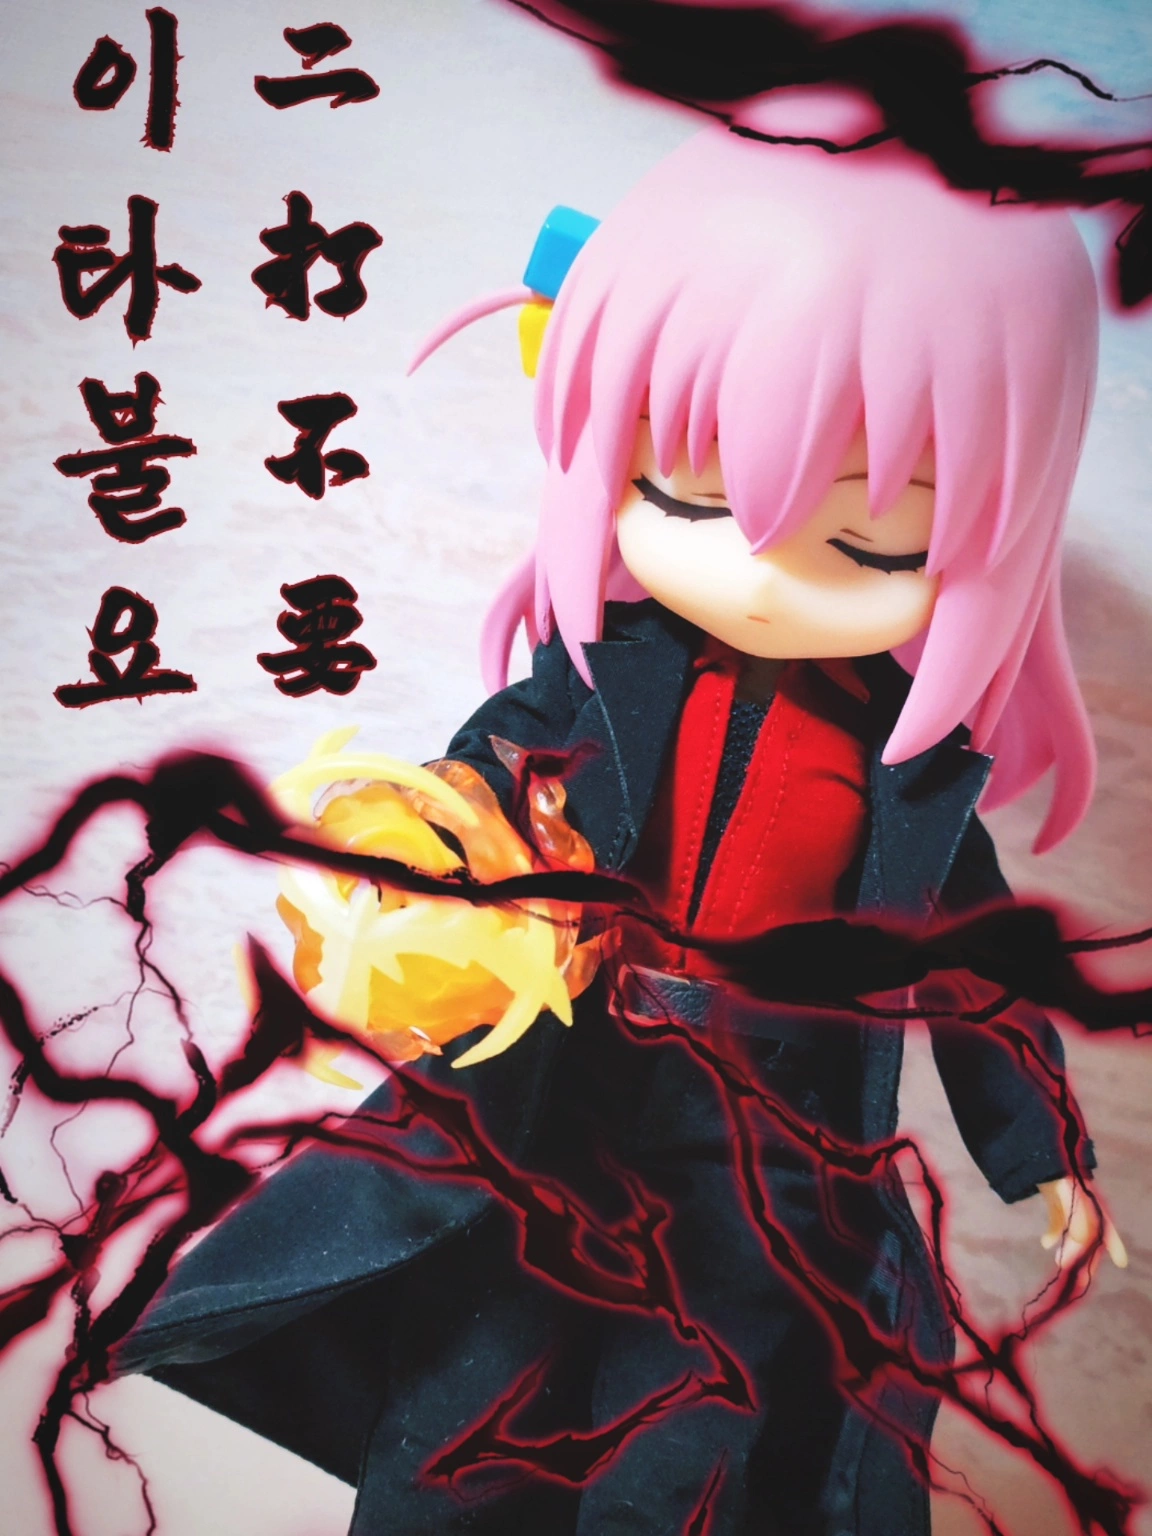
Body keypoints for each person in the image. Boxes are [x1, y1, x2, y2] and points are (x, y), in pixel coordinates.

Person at [118, 90, 1123, 1535]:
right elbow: (473, 791)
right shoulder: (596, 685)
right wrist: (417, 880)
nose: (764, 575)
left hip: (770, 1162)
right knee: (474, 1413)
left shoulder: (908, 768)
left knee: (695, 1446)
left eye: (865, 538)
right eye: (687, 498)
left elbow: (975, 969)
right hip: (564, 1108)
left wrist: (1043, 1155)